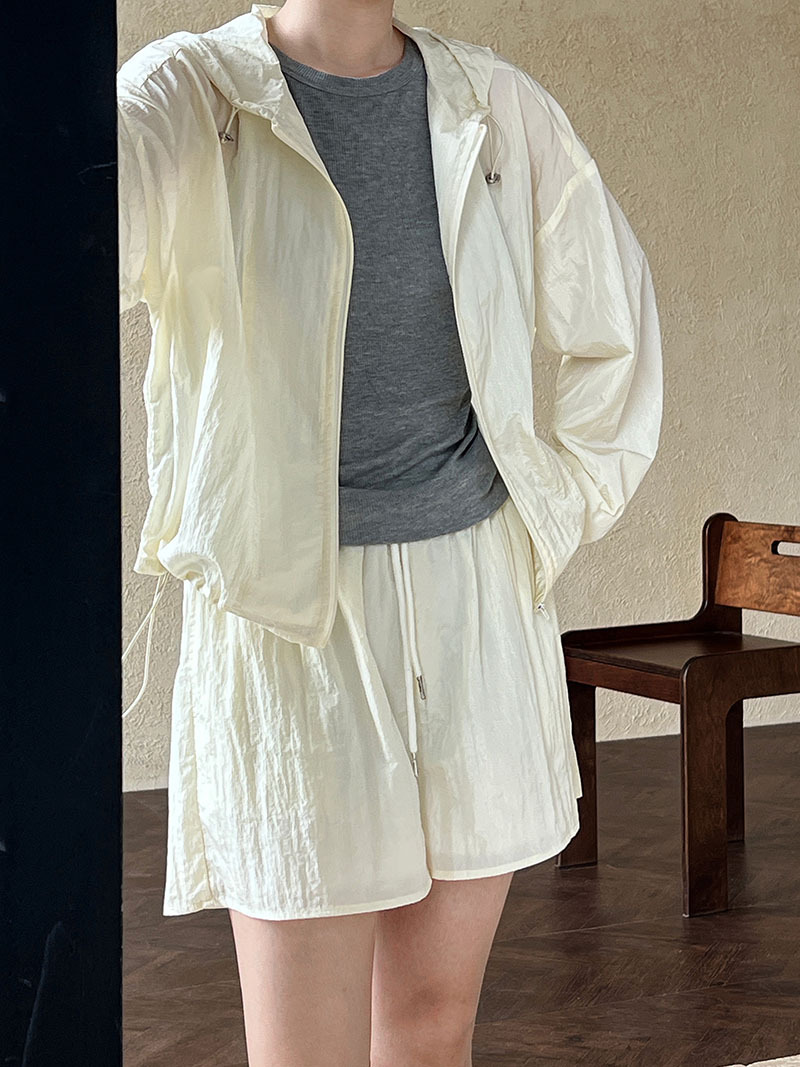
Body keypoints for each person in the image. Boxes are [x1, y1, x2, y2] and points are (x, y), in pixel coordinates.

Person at [117, 1, 662, 1063]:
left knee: (430, 1029)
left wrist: (549, 510)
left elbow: (615, 323)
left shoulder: (491, 101)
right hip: (288, 626)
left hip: (472, 606)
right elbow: (82, 226)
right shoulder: (193, 93)